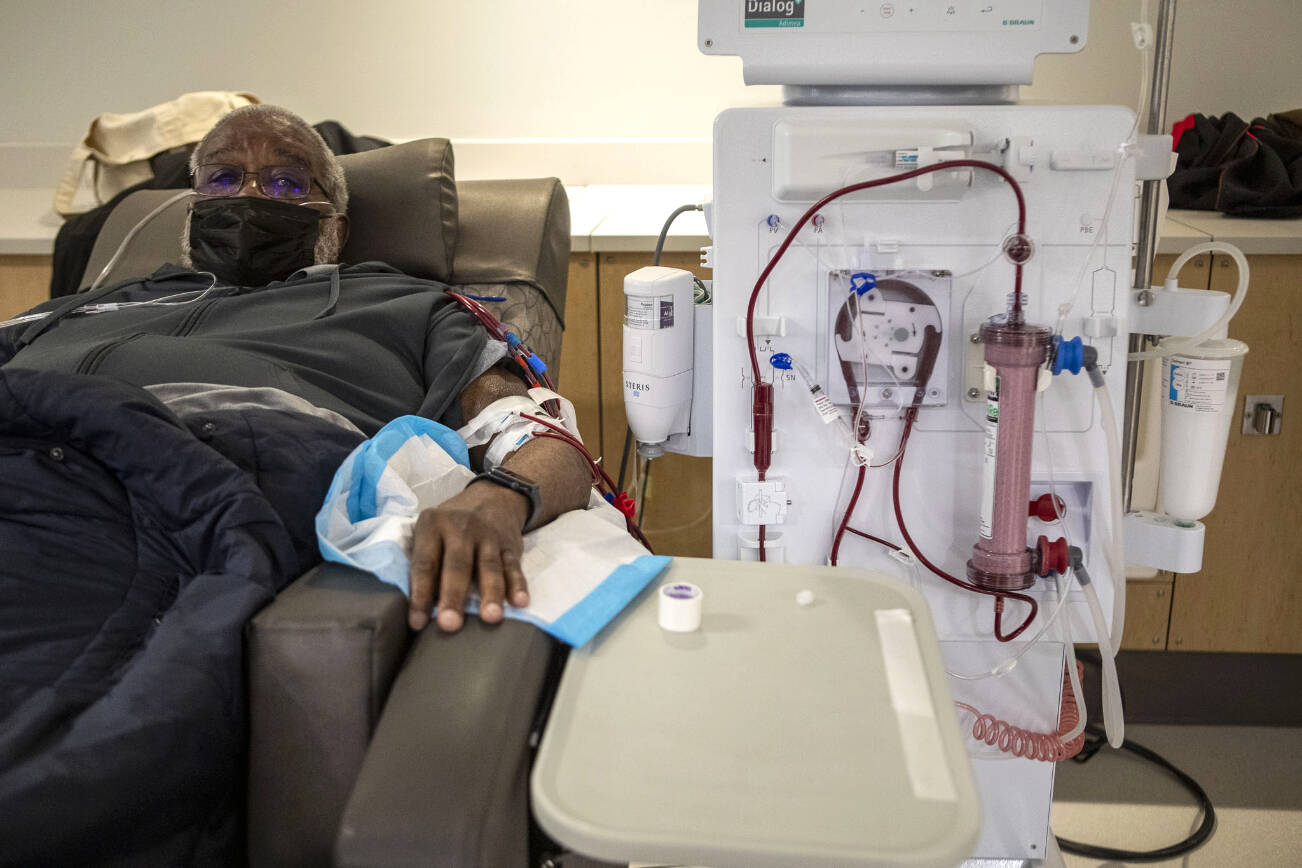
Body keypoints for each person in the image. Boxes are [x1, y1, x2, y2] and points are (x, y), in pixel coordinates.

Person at [0, 104, 592, 633]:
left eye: (285, 183)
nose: (248, 197)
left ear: (335, 227)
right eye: (224, 177)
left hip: (176, 497)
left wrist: (501, 497)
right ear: (191, 210)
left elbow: (540, 437)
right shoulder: (86, 306)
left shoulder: (410, 307)